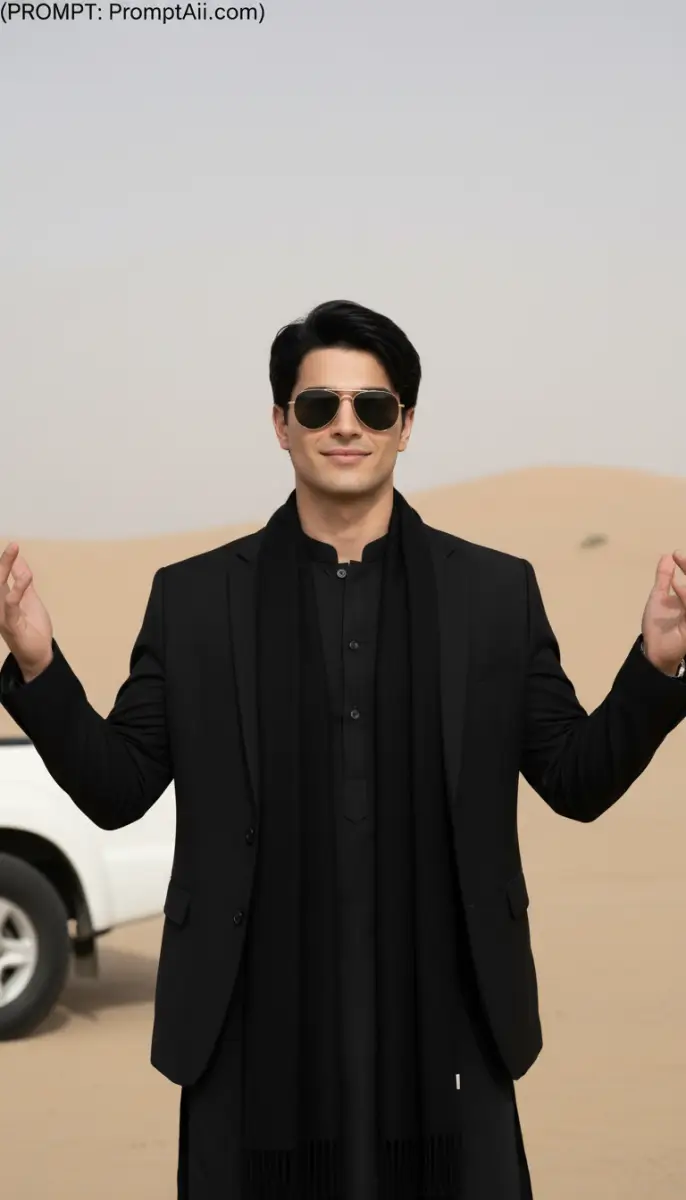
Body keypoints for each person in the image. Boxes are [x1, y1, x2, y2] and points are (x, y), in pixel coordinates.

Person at [2, 299, 686, 1200]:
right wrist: (40, 663)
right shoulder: (196, 603)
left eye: (373, 405)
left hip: (450, 1031)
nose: (346, 427)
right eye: (319, 406)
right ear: (281, 423)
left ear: (407, 424)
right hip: (252, 1042)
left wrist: (657, 667)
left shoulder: (494, 595)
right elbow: (119, 787)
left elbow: (577, 777)